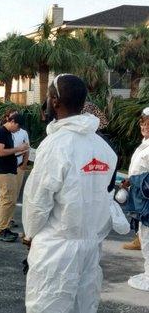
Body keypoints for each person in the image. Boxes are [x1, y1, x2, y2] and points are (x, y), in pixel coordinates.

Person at [22, 74, 117, 312]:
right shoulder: (103, 148)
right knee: (83, 306)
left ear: (55, 101)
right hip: (90, 248)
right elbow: (105, 199)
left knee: (47, 306)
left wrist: (30, 234)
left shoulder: (56, 144)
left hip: (57, 248)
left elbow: (38, 200)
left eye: (47, 97)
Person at [121, 107, 149, 290]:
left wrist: (133, 180)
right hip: (141, 199)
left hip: (146, 200)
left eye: (148, 124)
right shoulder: (144, 144)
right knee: (144, 236)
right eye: (143, 123)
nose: (144, 127)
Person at [0, 112, 28, 242]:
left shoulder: (7, 133)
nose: (18, 130)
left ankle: (4, 227)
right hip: (4, 171)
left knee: (10, 200)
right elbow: (0, 152)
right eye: (18, 127)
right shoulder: (0, 131)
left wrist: (20, 151)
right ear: (12, 122)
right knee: (6, 199)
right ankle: (1, 229)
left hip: (9, 170)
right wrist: (19, 149)